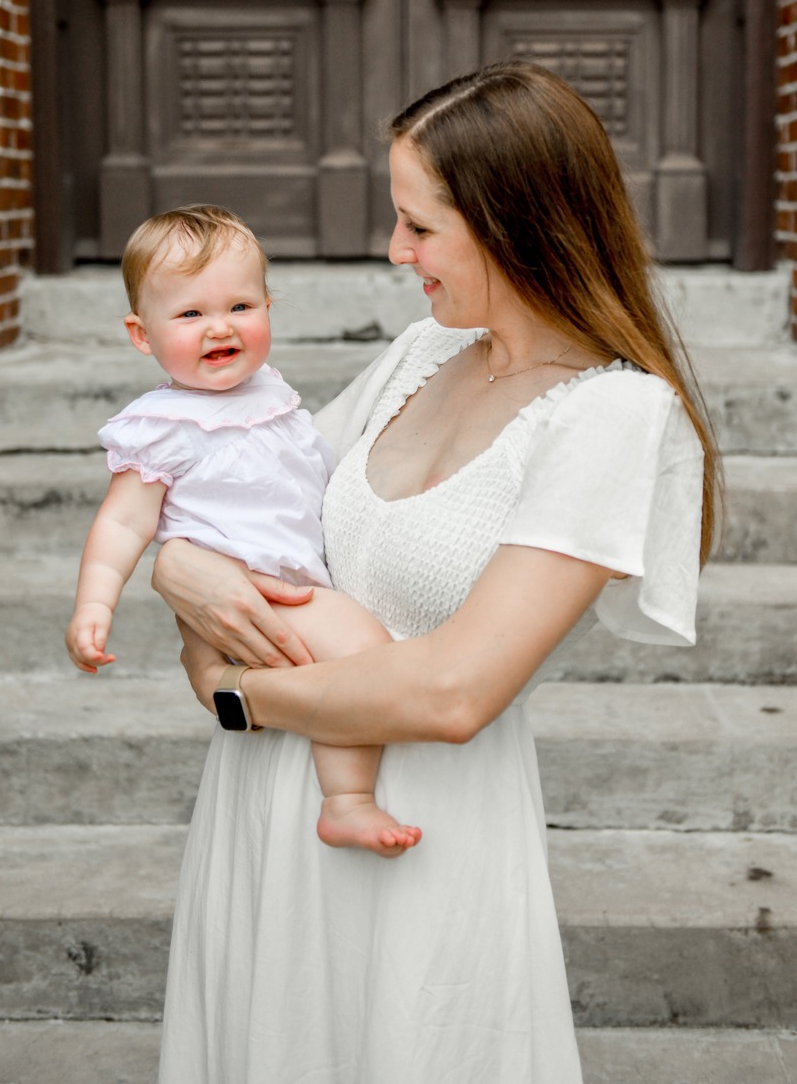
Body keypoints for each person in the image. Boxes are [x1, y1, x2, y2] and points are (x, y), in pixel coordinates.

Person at [148, 61, 718, 1081]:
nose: (394, 249)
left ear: (514, 224)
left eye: (419, 227)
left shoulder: (612, 416)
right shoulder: (419, 353)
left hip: (421, 831)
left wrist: (234, 689)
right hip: (262, 809)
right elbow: (246, 521)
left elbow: (457, 691)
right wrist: (179, 567)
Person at [66, 205, 419, 855]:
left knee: (340, 658)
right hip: (254, 586)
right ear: (140, 336)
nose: (218, 327)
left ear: (267, 306)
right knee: (363, 649)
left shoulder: (272, 392)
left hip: (286, 576)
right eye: (190, 314)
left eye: (240, 306)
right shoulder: (160, 426)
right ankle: (346, 800)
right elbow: (120, 521)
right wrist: (94, 604)